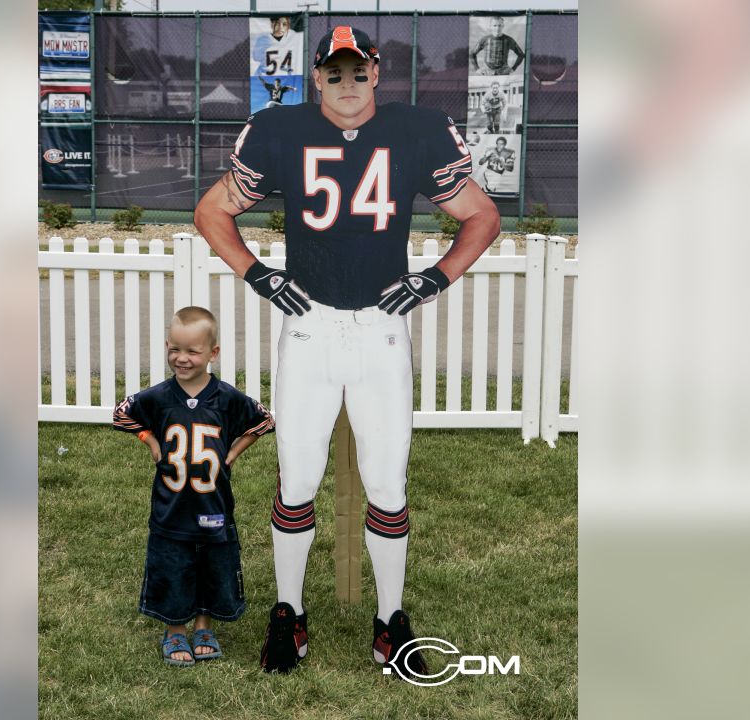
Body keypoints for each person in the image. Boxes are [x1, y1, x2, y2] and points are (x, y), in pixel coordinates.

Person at [193, 25, 500, 675]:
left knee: (387, 485)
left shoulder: (415, 130)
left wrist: (433, 277)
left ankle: (389, 621)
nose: (347, 82)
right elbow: (212, 211)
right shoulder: (281, 130)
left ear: (378, 72)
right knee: (298, 480)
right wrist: (258, 274)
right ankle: (289, 614)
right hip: (309, 329)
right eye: (333, 72)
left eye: (358, 70)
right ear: (316, 77)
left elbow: (482, 215)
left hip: (379, 331)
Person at [112, 306, 274, 667]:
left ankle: (203, 626)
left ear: (212, 353)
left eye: (192, 351)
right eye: (174, 350)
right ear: (167, 345)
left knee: (212, 566)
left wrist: (233, 452)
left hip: (213, 508)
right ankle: (174, 631)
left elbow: (264, 420)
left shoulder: (227, 398)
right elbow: (121, 413)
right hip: (171, 507)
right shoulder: (158, 396)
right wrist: (151, 441)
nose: (181, 359)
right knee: (173, 566)